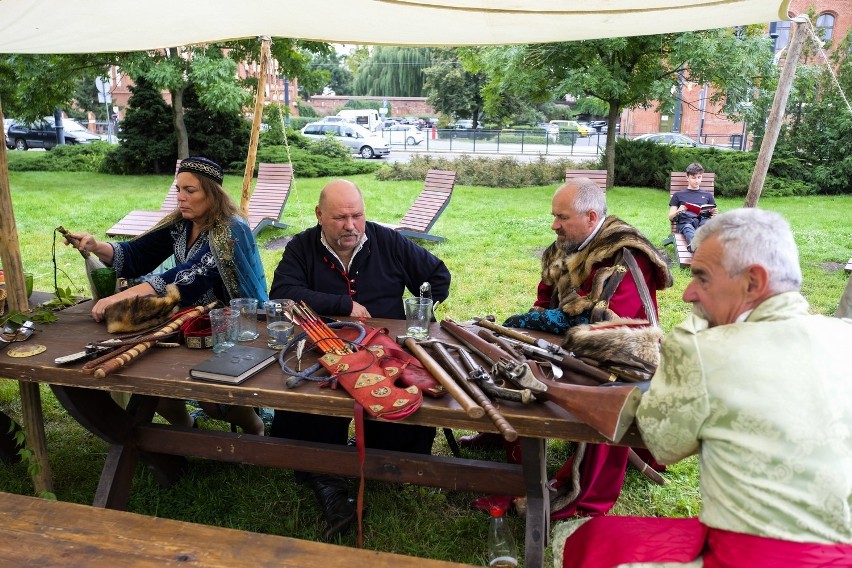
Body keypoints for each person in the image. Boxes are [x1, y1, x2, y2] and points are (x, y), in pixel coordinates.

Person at [559, 208, 852, 568]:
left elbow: (664, 445)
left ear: (753, 282)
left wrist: (689, 343)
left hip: (751, 558)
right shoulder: (845, 336)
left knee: (594, 540)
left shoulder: (701, 346)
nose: (687, 294)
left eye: (702, 277)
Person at [463, 177, 673, 519]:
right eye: (554, 216)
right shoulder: (565, 245)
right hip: (567, 344)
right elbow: (544, 298)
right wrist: (534, 322)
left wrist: (550, 327)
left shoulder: (627, 254)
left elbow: (612, 324)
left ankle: (578, 492)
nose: (554, 225)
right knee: (510, 362)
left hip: (625, 353)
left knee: (608, 392)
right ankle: (511, 439)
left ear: (591, 217)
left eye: (562, 217)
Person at [268, 178, 451, 539]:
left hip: (385, 348)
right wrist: (342, 305)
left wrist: (418, 312)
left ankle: (389, 463)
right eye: (339, 218)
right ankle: (324, 471)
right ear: (319, 215)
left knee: (402, 399)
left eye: (357, 216)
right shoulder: (303, 246)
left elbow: (436, 277)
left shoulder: (388, 241)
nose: (350, 226)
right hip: (323, 345)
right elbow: (283, 294)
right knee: (312, 399)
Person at [65, 157, 268, 435]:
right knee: (150, 378)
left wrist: (119, 298)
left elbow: (189, 277)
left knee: (212, 399)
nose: (181, 198)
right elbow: (138, 254)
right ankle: (186, 431)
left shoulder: (230, 230)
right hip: (186, 319)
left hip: (228, 326)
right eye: (178, 190)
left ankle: (254, 429)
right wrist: (96, 246)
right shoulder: (181, 224)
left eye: (190, 191)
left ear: (212, 193)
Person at [668, 162, 717, 251]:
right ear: (687, 177)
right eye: (694, 178)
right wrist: (678, 210)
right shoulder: (678, 195)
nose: (697, 181)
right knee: (688, 228)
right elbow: (670, 217)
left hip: (703, 221)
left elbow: (714, 215)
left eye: (699, 177)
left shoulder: (708, 195)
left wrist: (714, 214)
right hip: (686, 221)